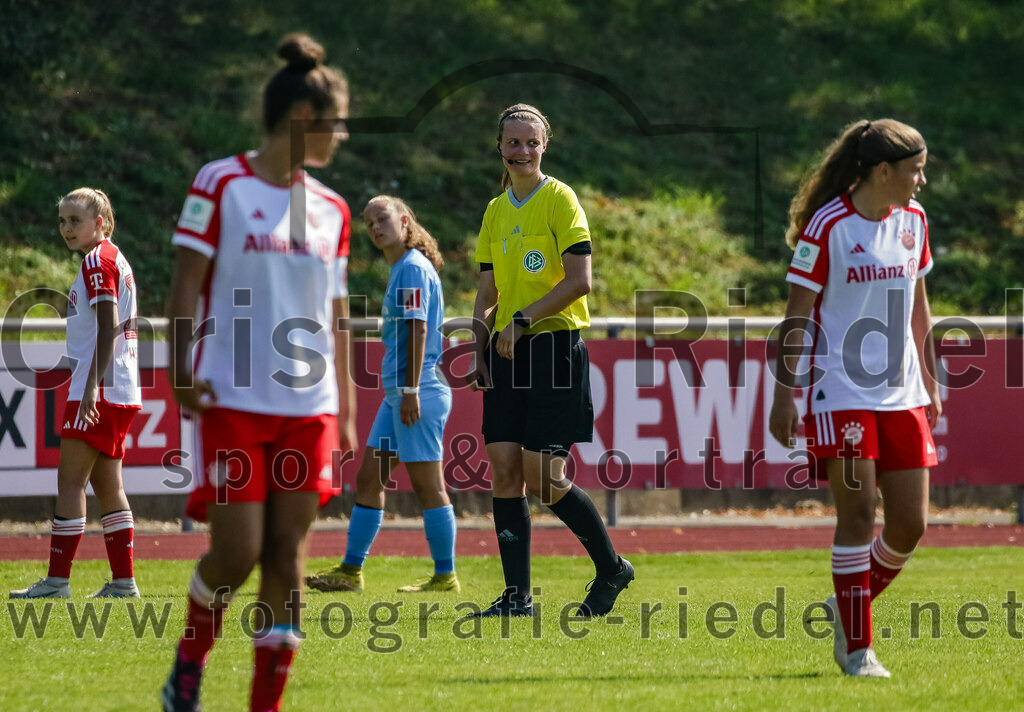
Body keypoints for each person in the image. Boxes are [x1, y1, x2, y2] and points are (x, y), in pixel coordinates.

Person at [160, 33, 357, 712]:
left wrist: (349, 412)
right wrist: (179, 368)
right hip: (234, 400)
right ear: (304, 119)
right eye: (337, 121)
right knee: (238, 553)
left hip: (310, 408)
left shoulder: (333, 210)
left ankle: (263, 706)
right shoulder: (221, 183)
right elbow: (186, 285)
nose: (344, 133)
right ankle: (189, 662)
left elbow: (335, 316)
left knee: (287, 557)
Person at [768, 119, 940, 678]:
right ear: (883, 171)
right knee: (859, 516)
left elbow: (920, 306)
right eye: (915, 170)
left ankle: (849, 604)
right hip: (838, 389)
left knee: (910, 525)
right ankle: (857, 649)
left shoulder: (914, 221)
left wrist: (932, 380)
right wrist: (784, 395)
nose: (921, 181)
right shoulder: (829, 225)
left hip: (903, 391)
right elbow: (797, 315)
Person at [465, 103, 633, 618]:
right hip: (506, 351)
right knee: (503, 466)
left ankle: (612, 568)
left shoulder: (561, 199)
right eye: (513, 143)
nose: (522, 151)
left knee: (544, 478)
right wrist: (479, 347)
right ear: (499, 147)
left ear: (545, 146)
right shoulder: (496, 210)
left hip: (554, 348)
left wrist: (522, 321)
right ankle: (517, 598)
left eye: (531, 143)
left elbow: (580, 282)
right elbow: (488, 290)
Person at [306, 195, 458, 594]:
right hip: (402, 392)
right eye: (368, 222)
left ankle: (445, 576)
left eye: (382, 218)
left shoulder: (410, 269)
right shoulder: (403, 268)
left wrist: (408, 389)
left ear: (405, 220)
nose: (374, 227)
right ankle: (351, 571)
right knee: (369, 478)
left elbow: (417, 330)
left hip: (416, 389)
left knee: (428, 486)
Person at [10, 188, 142, 600]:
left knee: (69, 482)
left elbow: (109, 326)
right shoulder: (112, 256)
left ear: (98, 222)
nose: (67, 228)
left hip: (99, 387)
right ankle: (124, 583)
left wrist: (89, 390)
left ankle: (57, 582)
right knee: (108, 486)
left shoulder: (96, 260)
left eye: (75, 220)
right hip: (120, 387)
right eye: (62, 220)